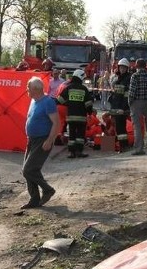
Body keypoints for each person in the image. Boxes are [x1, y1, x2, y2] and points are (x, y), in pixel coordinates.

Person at [21, 76, 59, 209]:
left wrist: (49, 140)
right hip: (32, 139)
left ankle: (47, 190)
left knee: (28, 170)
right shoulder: (33, 100)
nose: (27, 90)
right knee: (28, 170)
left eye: (28, 88)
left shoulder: (48, 102)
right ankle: (34, 199)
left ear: (37, 89)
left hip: (42, 140)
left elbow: (56, 123)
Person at [56, 69, 93, 158]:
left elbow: (59, 100)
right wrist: (89, 112)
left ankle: (71, 153)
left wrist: (68, 103)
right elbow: (88, 103)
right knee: (80, 135)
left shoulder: (68, 88)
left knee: (71, 135)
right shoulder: (84, 89)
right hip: (81, 117)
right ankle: (79, 151)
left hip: (70, 117)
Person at [110, 58, 132, 151]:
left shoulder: (128, 79)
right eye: (121, 67)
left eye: (124, 67)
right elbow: (115, 93)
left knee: (121, 128)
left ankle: (123, 146)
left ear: (127, 68)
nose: (122, 69)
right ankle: (122, 145)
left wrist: (123, 108)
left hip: (121, 108)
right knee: (118, 129)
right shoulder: (117, 78)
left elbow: (126, 96)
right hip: (115, 107)